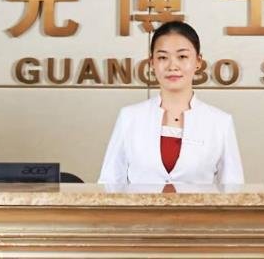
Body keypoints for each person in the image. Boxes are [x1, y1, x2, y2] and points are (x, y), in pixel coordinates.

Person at [99, 21, 244, 185]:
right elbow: (109, 183)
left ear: (198, 61)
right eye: (162, 57)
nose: (172, 66)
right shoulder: (130, 117)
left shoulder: (220, 122)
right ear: (152, 62)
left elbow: (233, 190)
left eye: (182, 57)